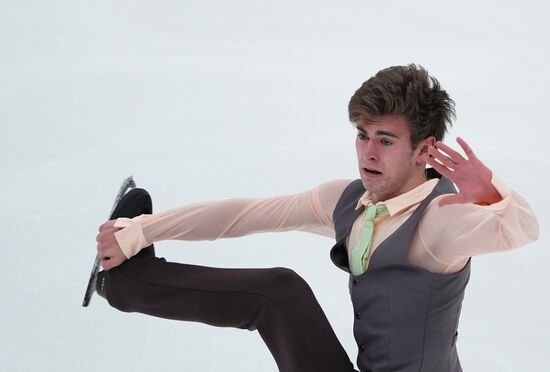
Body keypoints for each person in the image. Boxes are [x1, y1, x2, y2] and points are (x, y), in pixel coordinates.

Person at [95, 64, 539, 372]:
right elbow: (245, 215)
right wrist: (141, 231)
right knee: (278, 292)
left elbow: (524, 229)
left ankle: (124, 286)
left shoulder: (441, 220)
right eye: (363, 135)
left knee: (277, 294)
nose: (367, 152)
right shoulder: (348, 202)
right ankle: (130, 278)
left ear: (424, 149)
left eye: (385, 140)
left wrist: (492, 192)